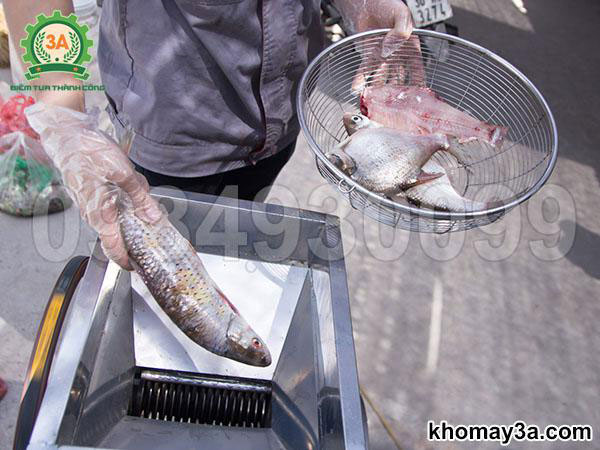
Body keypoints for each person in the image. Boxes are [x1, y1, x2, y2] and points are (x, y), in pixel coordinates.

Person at [5, 0, 416, 269]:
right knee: (170, 269)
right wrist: (63, 112)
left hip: (281, 110)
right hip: (174, 131)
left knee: (232, 236)